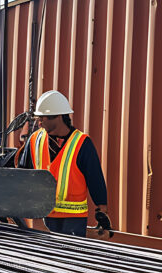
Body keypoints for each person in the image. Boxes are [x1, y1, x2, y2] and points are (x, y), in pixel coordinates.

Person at [18, 90, 112, 238]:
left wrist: (102, 212)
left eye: (43, 118)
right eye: (38, 117)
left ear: (59, 117)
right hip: (42, 216)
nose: (39, 122)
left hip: (73, 220)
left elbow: (95, 179)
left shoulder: (82, 144)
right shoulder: (35, 140)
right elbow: (22, 175)